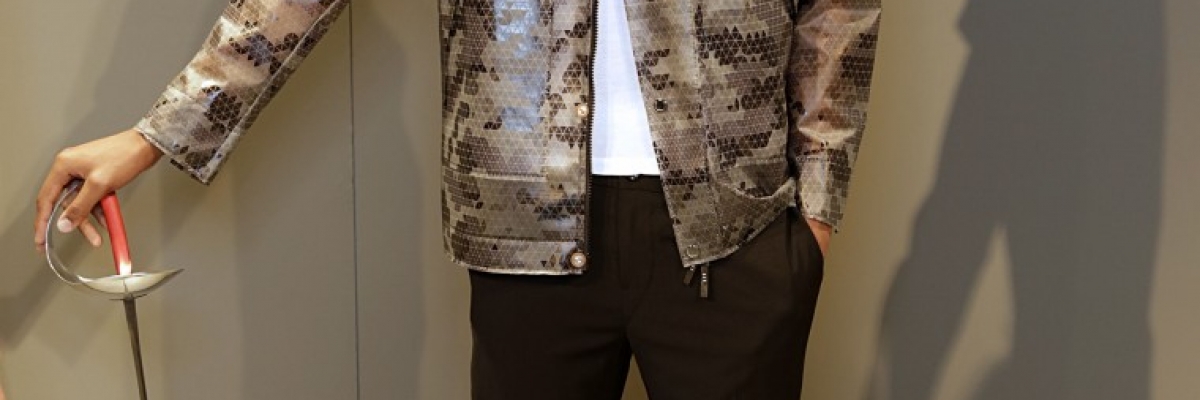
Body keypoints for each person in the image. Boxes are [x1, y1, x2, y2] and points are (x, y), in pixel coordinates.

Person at [34, 0, 881, 398]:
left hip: (734, 231)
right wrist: (158, 133)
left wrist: (814, 208)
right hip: (526, 230)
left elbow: (839, 9)